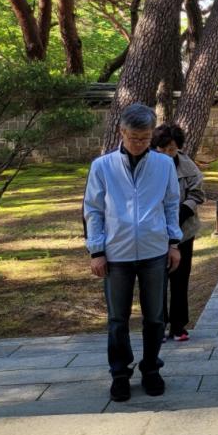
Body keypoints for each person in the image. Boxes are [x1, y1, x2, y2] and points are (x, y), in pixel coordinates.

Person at [84, 103, 182, 402]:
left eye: (145, 138)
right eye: (133, 137)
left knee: (155, 317)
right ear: (121, 132)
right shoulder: (102, 166)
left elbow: (171, 204)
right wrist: (96, 250)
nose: (139, 143)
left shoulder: (163, 164)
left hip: (154, 249)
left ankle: (151, 367)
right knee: (118, 318)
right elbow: (93, 210)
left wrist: (173, 243)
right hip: (116, 252)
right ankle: (120, 373)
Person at [151, 124, 206, 342]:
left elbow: (198, 193)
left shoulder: (187, 165)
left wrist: (183, 211)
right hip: (154, 232)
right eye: (163, 149)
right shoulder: (148, 165)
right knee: (157, 279)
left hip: (184, 230)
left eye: (172, 149)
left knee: (180, 278)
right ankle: (158, 323)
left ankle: (178, 324)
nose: (167, 153)